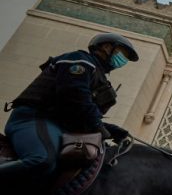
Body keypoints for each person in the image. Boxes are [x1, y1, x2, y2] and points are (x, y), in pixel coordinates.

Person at [0, 32, 138, 181]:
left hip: (60, 126)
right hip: (34, 118)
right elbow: (74, 95)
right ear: (106, 47)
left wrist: (109, 129)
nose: (123, 61)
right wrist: (98, 125)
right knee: (42, 160)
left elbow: (80, 113)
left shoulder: (101, 77)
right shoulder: (79, 60)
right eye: (122, 54)